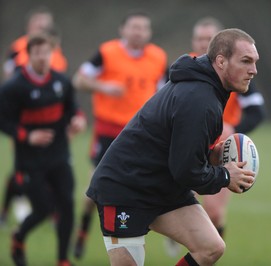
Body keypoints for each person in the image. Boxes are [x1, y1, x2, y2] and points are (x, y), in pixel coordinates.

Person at [86, 28, 259, 266]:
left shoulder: (207, 91)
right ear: (220, 61)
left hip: (161, 185)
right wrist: (226, 176)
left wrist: (211, 156)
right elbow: (186, 171)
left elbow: (177, 151)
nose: (253, 70)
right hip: (125, 188)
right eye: (246, 61)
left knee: (210, 247)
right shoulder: (200, 99)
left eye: (255, 62)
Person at [165, 17, 266, 257]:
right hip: (187, 146)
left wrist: (234, 127)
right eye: (199, 38)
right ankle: (178, 235)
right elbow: (162, 105)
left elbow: (257, 111)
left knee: (215, 213)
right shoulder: (184, 69)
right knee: (172, 204)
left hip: (221, 150)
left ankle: (207, 255)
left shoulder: (237, 71)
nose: (203, 43)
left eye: (208, 39)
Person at [72, 10, 167, 259]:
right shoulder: (107, 52)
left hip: (142, 133)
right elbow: (78, 80)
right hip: (109, 132)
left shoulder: (158, 57)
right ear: (122, 30)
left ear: (149, 33)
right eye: (134, 27)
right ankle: (82, 232)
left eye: (143, 28)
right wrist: (102, 86)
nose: (138, 32)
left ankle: (136, 237)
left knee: (150, 185)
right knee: (94, 188)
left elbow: (166, 92)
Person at [0, 34, 86, 266]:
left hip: (59, 156)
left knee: (67, 205)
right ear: (29, 54)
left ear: (52, 54)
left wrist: (78, 119)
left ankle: (62, 260)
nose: (42, 58)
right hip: (29, 161)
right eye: (37, 53)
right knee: (44, 209)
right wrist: (27, 135)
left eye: (46, 52)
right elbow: (3, 120)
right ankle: (19, 238)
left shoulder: (60, 81)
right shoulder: (14, 87)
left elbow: (72, 108)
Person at [0, 6, 68, 226]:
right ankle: (12, 206)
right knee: (23, 167)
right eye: (39, 24)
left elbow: (60, 84)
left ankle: (51, 210)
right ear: (30, 26)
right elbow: (10, 79)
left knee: (54, 166)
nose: (43, 28)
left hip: (49, 121)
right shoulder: (18, 48)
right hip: (24, 118)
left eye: (46, 24)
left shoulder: (57, 53)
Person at [3, 6, 67, 80]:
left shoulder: (55, 48)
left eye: (44, 28)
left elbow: (61, 71)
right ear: (29, 26)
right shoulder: (18, 46)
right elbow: (8, 70)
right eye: (38, 26)